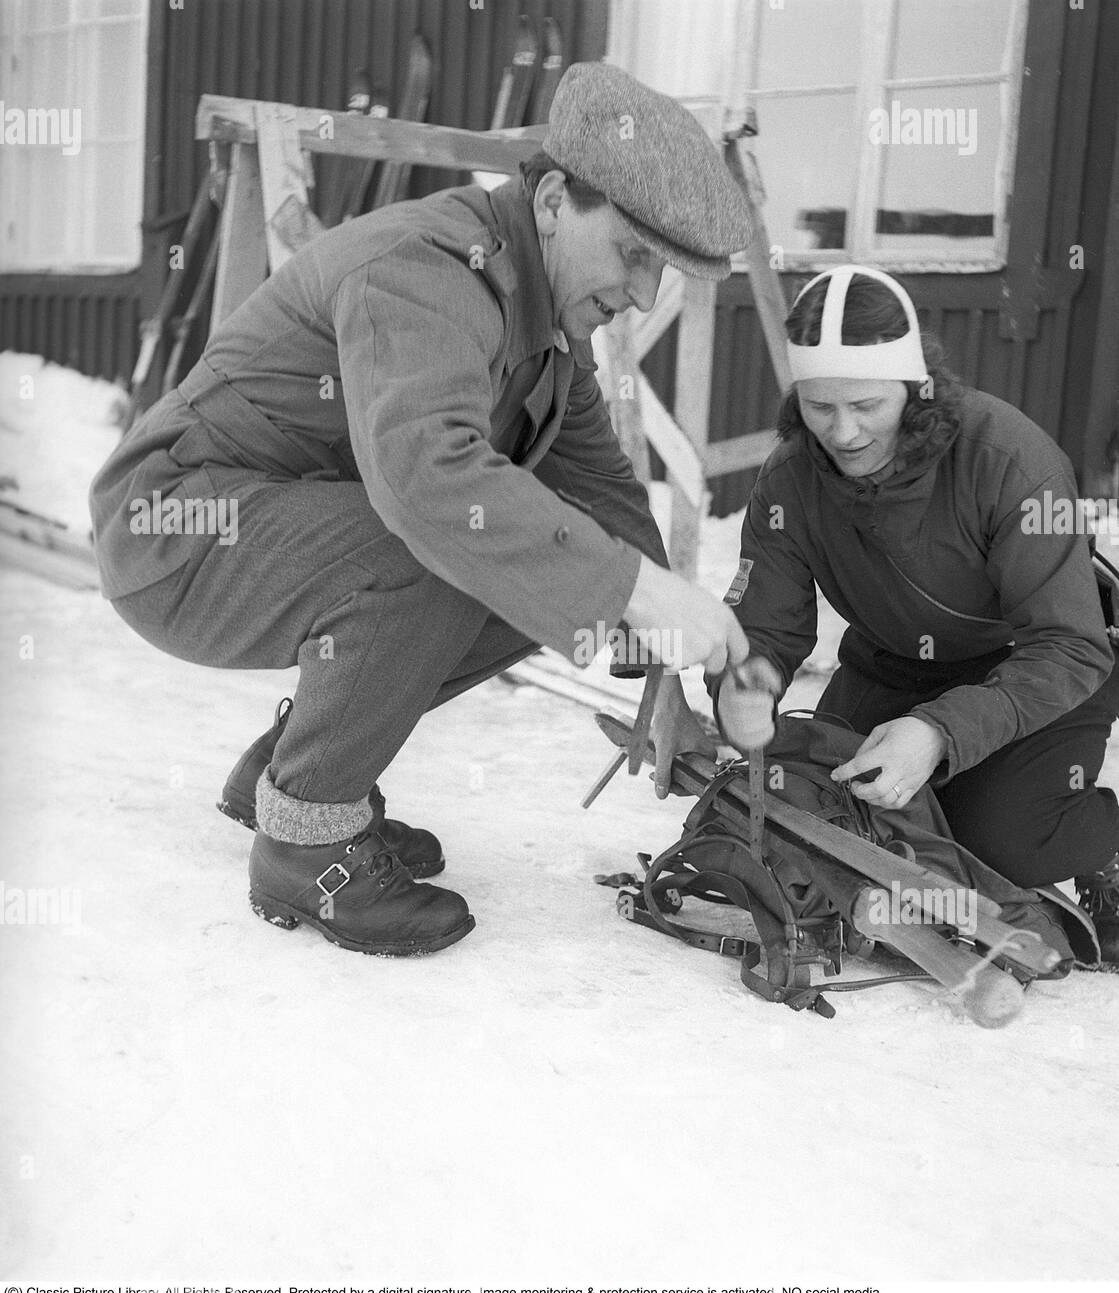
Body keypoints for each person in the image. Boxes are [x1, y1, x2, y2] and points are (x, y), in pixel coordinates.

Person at [89, 63, 753, 957]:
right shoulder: (426, 270)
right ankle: (306, 841)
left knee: (552, 572)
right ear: (553, 198)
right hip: (174, 529)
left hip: (264, 523)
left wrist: (674, 645)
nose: (642, 295)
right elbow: (427, 485)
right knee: (451, 534)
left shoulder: (546, 326)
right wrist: (631, 587)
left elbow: (598, 495)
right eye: (634, 255)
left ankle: (288, 771)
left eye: (660, 271)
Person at [713, 265, 1119, 972]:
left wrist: (938, 731)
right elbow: (765, 628)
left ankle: (1108, 845)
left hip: (1033, 675)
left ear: (913, 387)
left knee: (995, 836)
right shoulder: (791, 476)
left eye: (864, 404)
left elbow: (1070, 646)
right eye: (819, 408)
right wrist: (744, 686)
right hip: (888, 667)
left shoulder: (1009, 461)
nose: (843, 431)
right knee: (817, 815)